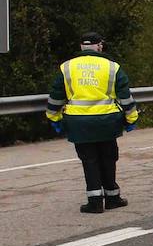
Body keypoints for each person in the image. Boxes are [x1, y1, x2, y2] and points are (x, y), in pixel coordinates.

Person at [45, 32, 139, 212]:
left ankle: (95, 202)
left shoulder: (66, 68)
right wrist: (131, 119)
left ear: (81, 46)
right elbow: (125, 97)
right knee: (109, 158)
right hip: (107, 122)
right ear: (99, 46)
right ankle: (113, 198)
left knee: (89, 161)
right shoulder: (112, 67)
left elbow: (56, 97)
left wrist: (54, 118)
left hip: (79, 124)